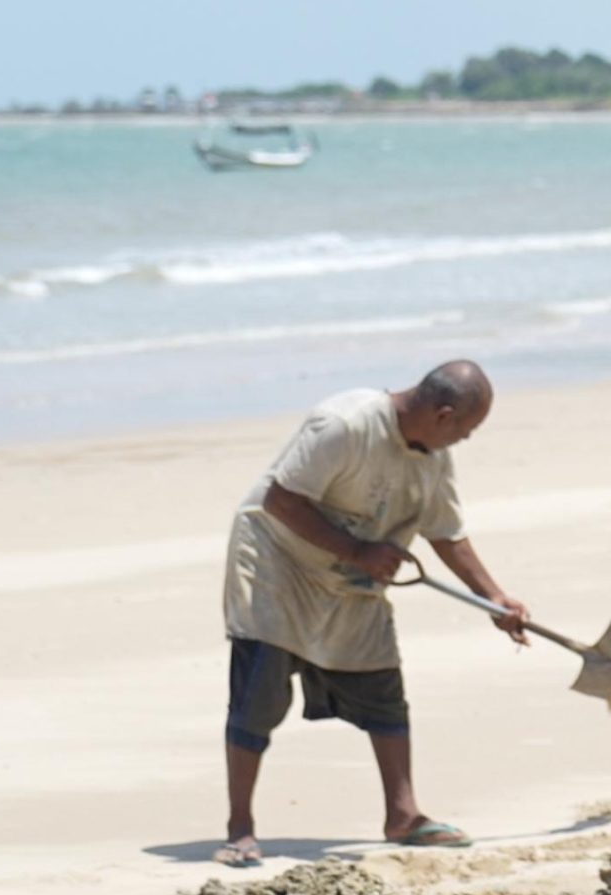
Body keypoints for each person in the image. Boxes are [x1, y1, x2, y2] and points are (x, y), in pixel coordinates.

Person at [216, 360, 528, 867]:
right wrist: (358, 551)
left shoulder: (432, 455)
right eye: (466, 431)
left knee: (382, 685)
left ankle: (403, 816)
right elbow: (281, 499)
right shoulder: (345, 424)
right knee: (259, 693)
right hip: (279, 564)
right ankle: (240, 829)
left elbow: (445, 532)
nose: (464, 441)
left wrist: (495, 598)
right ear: (444, 415)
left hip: (352, 576)